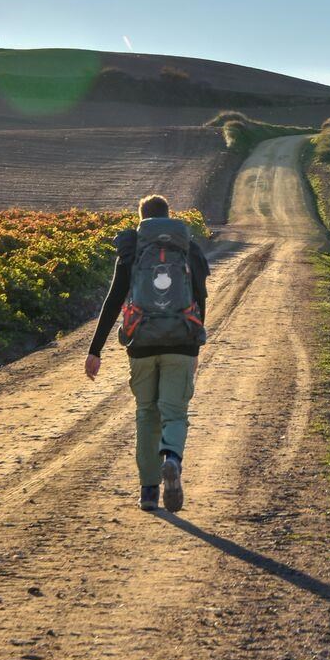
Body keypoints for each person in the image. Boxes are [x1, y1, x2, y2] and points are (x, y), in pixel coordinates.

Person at [85, 194, 210, 512]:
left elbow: (114, 300)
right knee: (175, 413)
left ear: (141, 218)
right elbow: (201, 298)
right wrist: (195, 346)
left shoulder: (134, 248)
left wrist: (95, 350)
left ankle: (149, 493)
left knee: (146, 414)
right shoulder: (187, 248)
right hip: (181, 343)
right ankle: (172, 458)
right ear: (169, 216)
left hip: (141, 343)